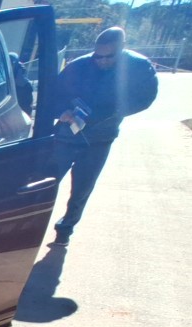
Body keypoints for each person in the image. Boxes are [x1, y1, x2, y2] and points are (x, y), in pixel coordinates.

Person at [51, 27, 158, 245]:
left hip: (99, 140)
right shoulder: (79, 66)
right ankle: (28, 227)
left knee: (81, 189)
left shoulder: (138, 67)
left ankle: (65, 230)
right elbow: (53, 94)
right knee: (46, 182)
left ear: (122, 49)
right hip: (65, 137)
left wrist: (107, 112)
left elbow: (145, 98)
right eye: (98, 56)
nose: (102, 61)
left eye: (109, 56)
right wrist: (62, 111)